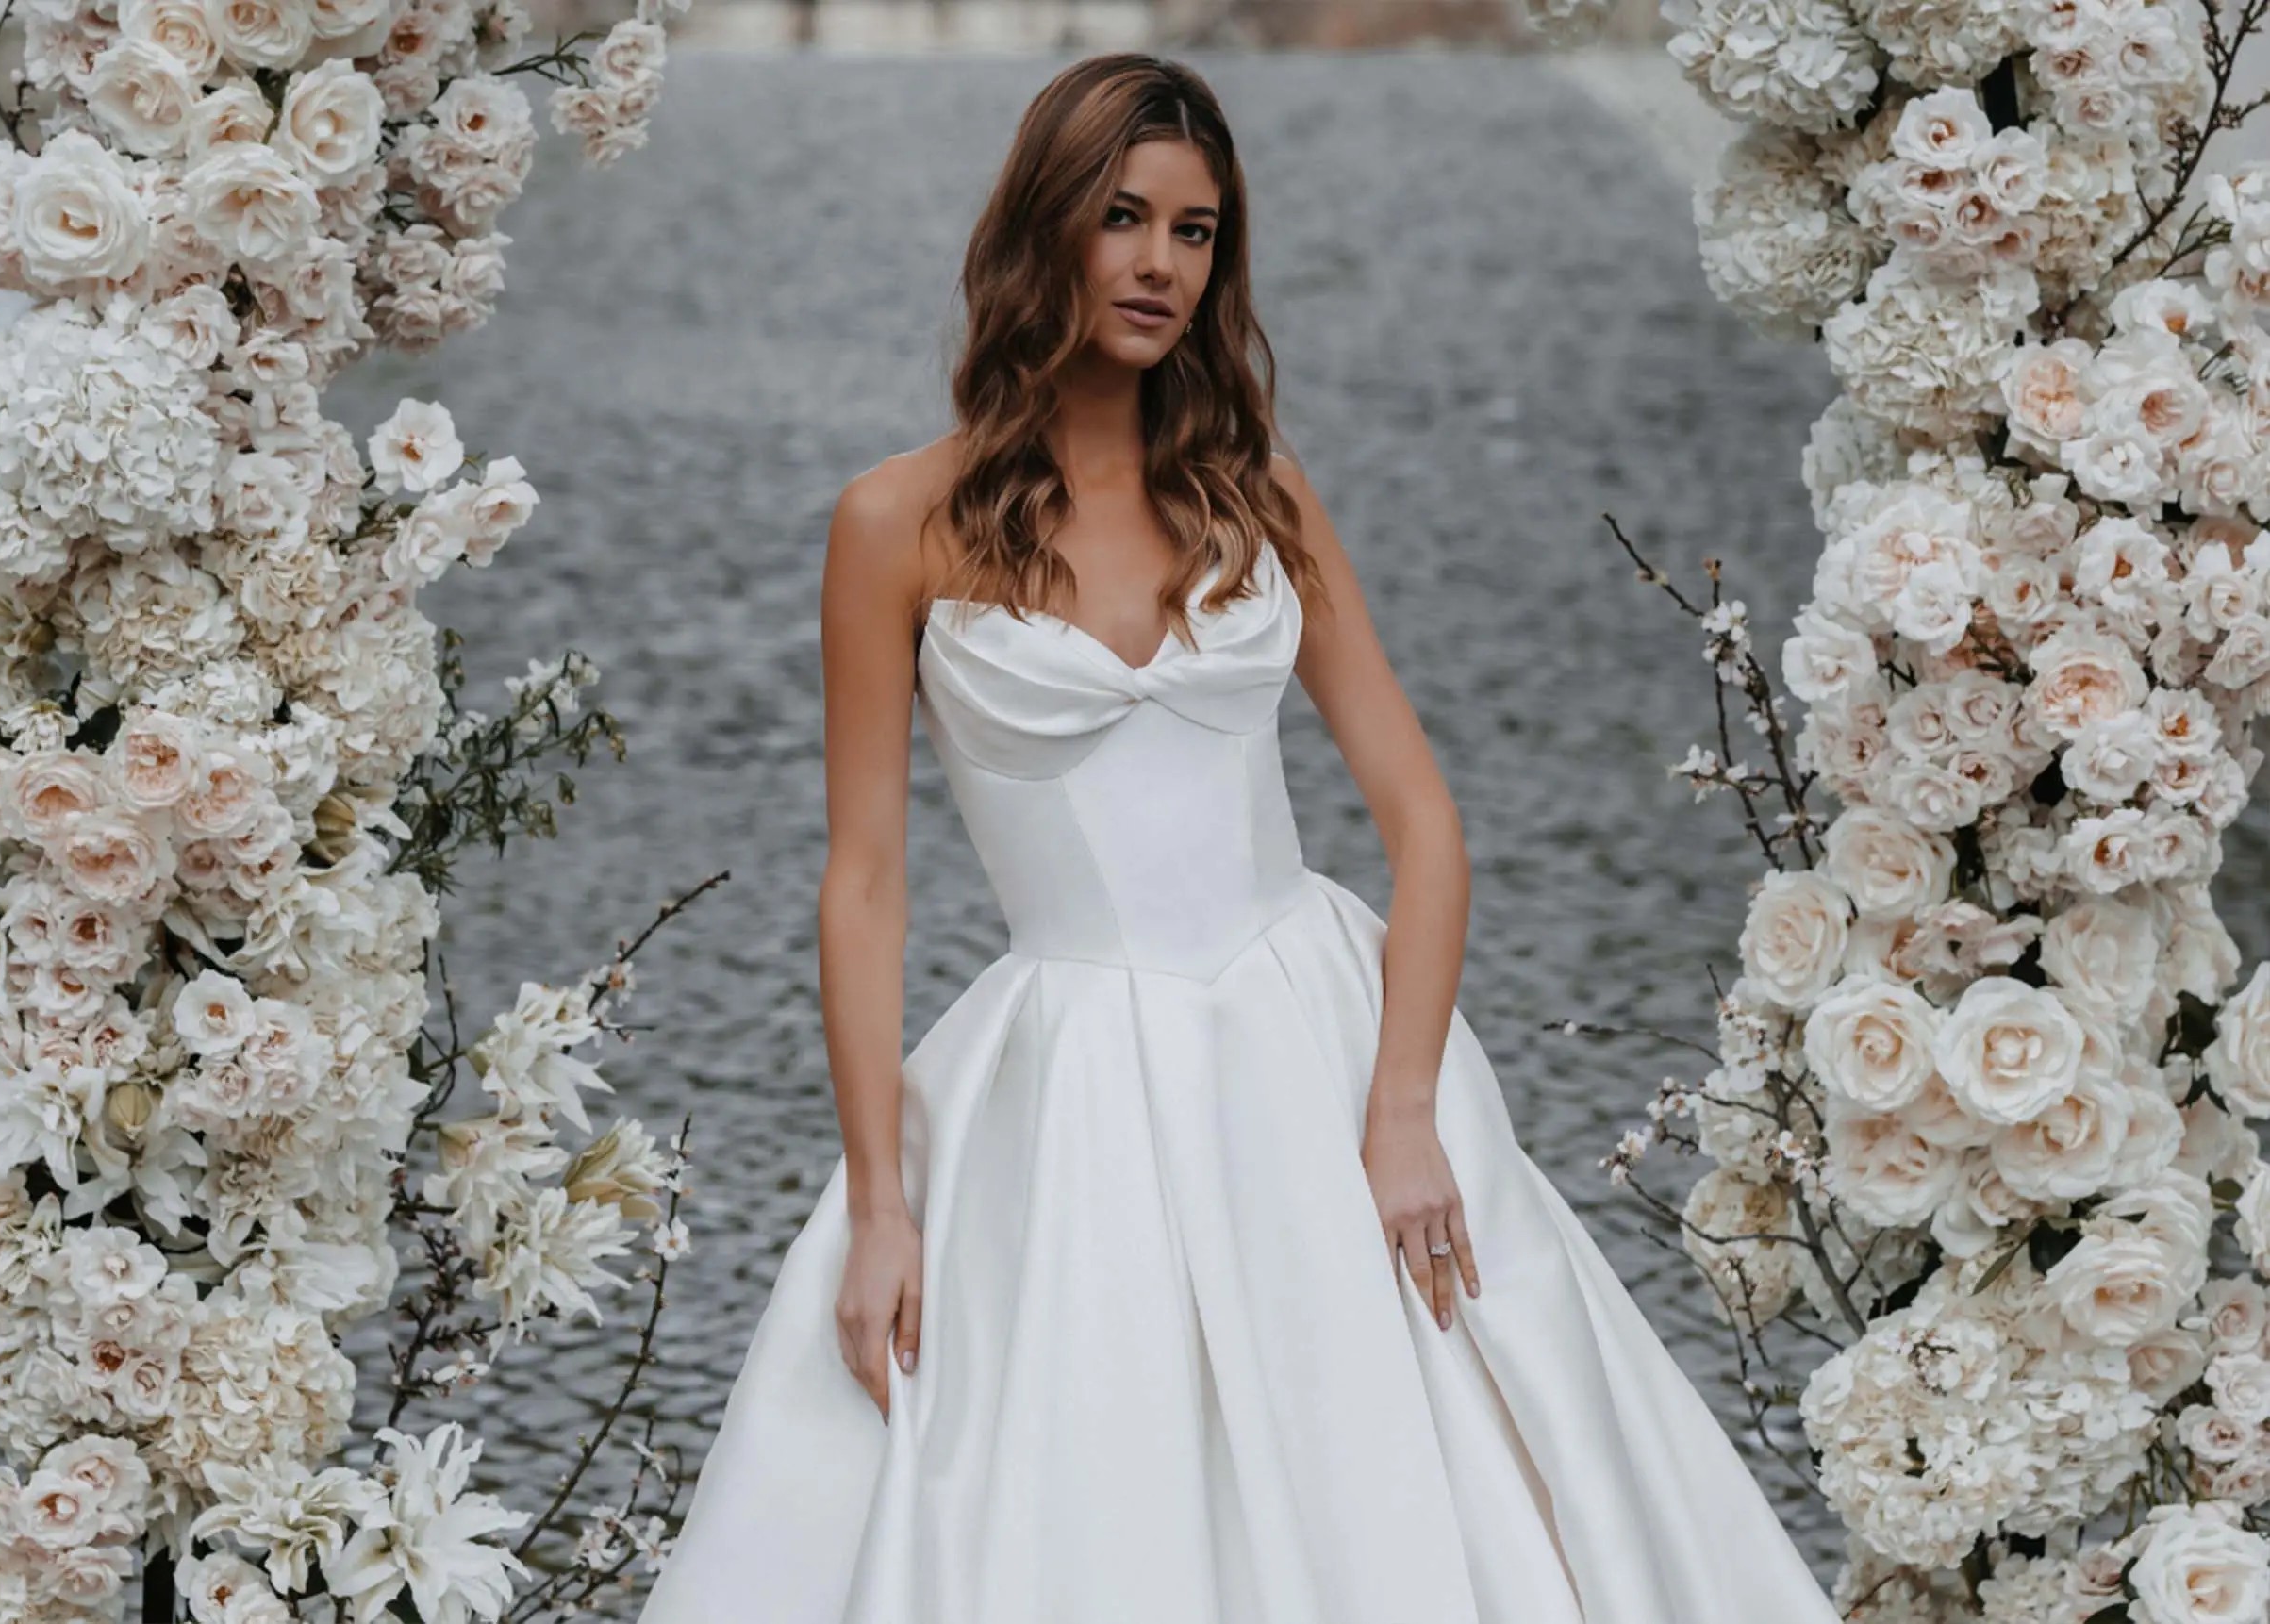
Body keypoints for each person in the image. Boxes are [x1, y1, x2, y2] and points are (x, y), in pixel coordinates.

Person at [640, 51, 1843, 1624]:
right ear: (1044, 230)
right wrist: (880, 1202)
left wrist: (1403, 1106)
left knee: (1412, 1474)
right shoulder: (895, 525)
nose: (1159, 265)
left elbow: (1423, 824)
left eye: (1197, 233)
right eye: (1125, 218)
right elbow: (864, 883)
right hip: (1069, 1072)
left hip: (1315, 1034)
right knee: (1088, 1483)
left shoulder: (1259, 493)